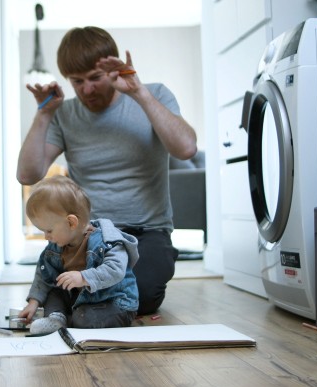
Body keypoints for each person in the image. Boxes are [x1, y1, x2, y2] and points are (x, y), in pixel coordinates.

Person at [17, 27, 198, 315]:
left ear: (113, 70)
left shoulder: (155, 94)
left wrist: (139, 93)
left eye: (95, 78)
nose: (87, 89)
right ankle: (87, 297)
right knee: (80, 288)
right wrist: (44, 114)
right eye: (77, 81)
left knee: (144, 296)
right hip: (90, 233)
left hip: (146, 231)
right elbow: (28, 175)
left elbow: (186, 149)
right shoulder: (64, 114)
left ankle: (84, 297)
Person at [18, 175, 139, 335]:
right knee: (55, 291)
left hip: (112, 302)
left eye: (49, 230)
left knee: (83, 319)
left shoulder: (107, 242)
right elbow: (43, 276)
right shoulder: (55, 248)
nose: (46, 236)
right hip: (78, 298)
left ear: (71, 223)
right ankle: (57, 318)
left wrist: (83, 278)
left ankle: (69, 320)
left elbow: (115, 270)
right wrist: (33, 303)